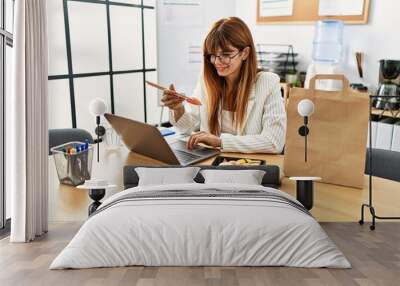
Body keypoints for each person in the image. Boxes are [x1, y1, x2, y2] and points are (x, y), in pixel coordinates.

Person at [162, 17, 286, 154]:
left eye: (226, 55)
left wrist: (220, 141)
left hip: (248, 168)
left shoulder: (268, 82)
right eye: (213, 55)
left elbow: (274, 142)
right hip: (210, 165)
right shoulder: (206, 80)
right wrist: (178, 109)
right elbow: (188, 127)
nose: (217, 62)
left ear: (244, 53)